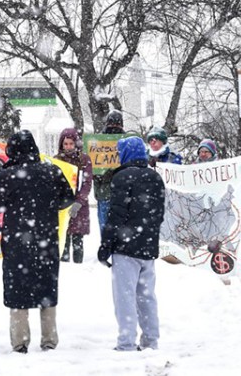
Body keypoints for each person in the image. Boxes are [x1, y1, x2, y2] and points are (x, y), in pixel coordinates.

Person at [0, 130, 75, 353]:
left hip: (17, 243)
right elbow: (67, 199)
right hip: (46, 240)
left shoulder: (8, 175)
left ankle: (20, 342)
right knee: (47, 288)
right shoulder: (51, 171)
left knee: (18, 291)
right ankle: (49, 340)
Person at [97, 136, 165, 351]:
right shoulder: (155, 178)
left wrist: (106, 244)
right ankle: (151, 341)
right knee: (146, 296)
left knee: (124, 297)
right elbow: (160, 214)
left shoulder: (122, 177)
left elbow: (116, 214)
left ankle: (126, 343)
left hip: (125, 248)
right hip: (148, 246)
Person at [54, 128, 93, 263]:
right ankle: (65, 270)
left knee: (77, 240)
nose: (68, 147)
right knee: (63, 241)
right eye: (66, 144)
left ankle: (78, 269)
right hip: (62, 205)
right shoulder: (57, 160)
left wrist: (79, 201)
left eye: (71, 143)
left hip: (79, 206)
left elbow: (87, 183)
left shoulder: (84, 160)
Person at [93, 110, 125, 232]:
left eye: (117, 124)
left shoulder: (127, 141)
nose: (114, 127)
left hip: (122, 194)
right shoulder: (97, 143)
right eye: (112, 123)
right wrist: (101, 174)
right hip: (104, 193)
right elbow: (92, 169)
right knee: (105, 228)